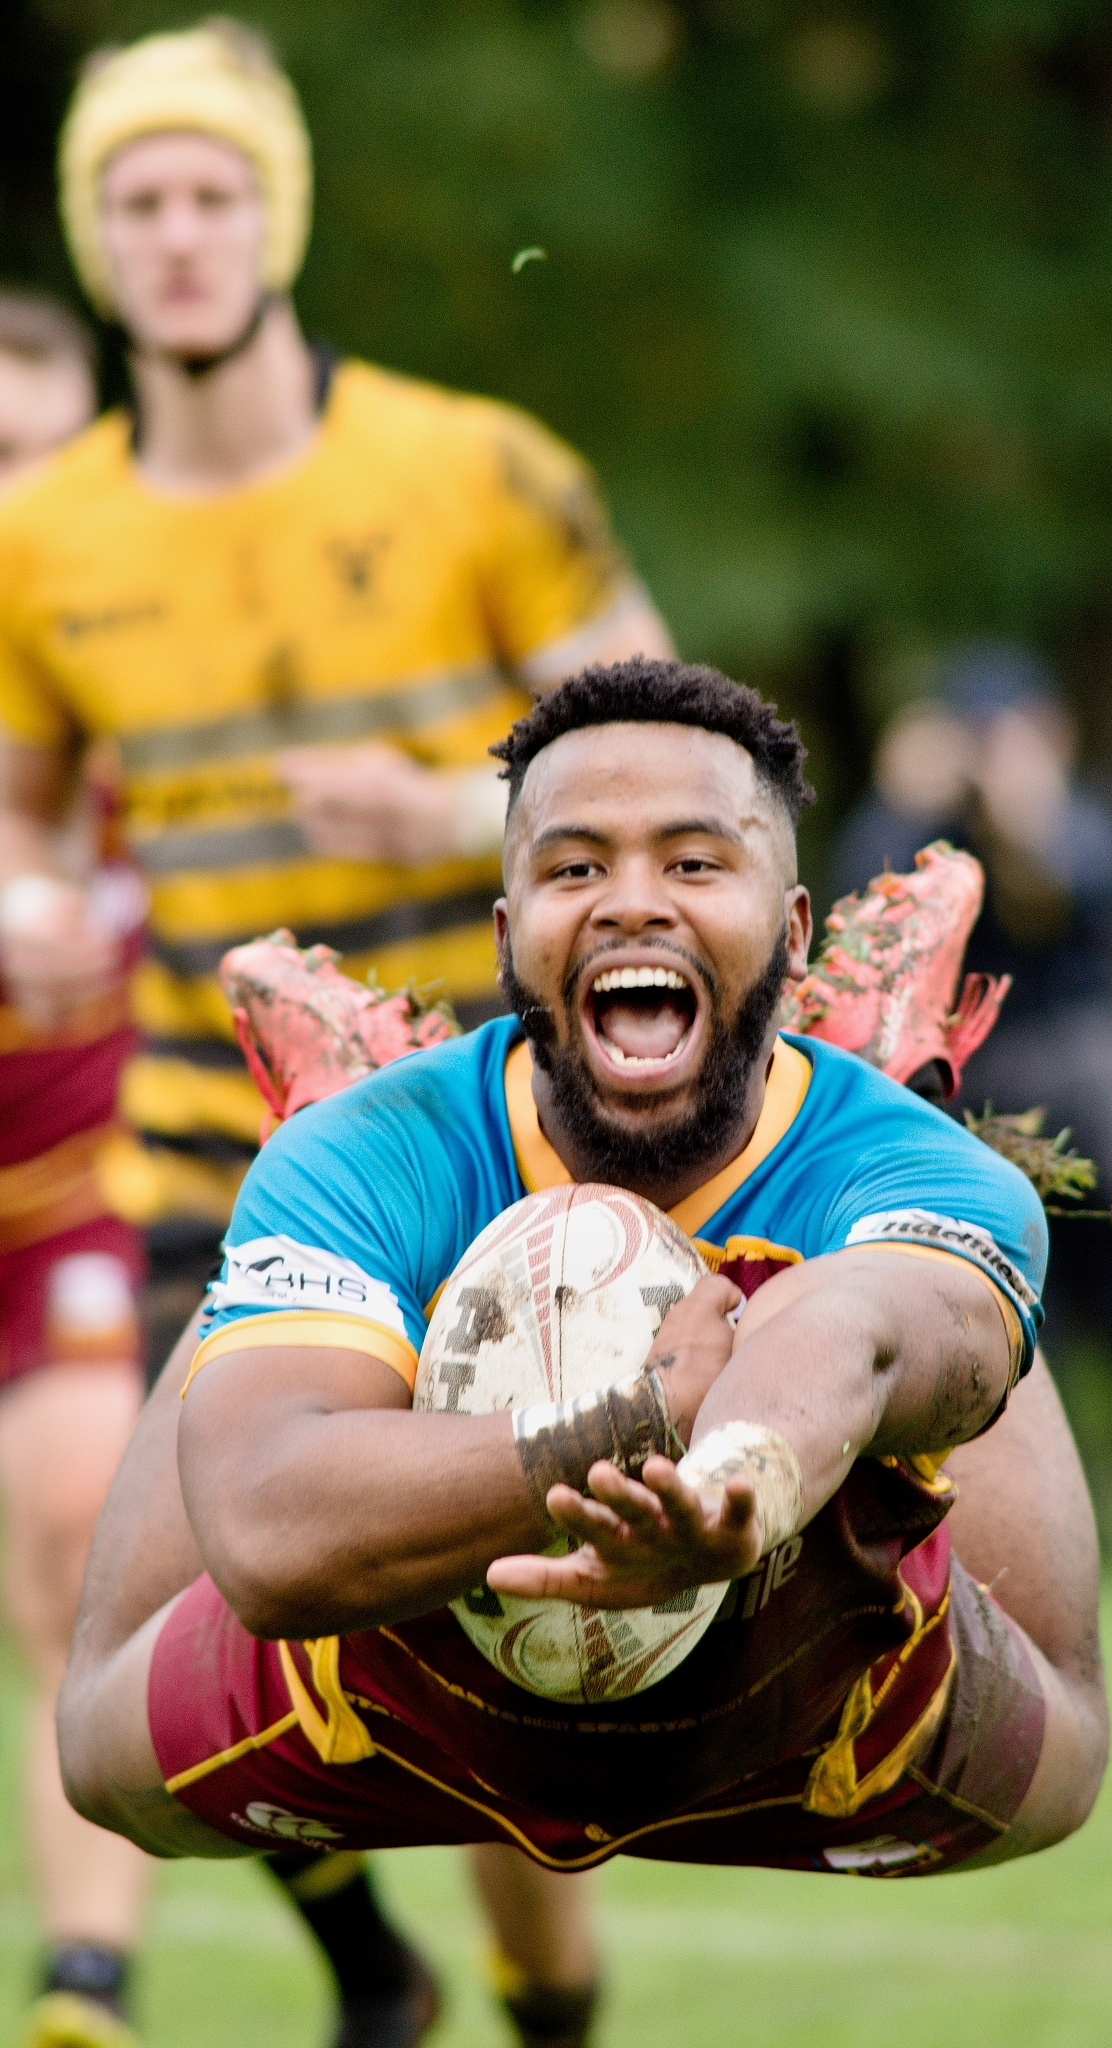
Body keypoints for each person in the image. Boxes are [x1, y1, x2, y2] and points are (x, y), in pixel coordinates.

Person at [0, 21, 672, 2043]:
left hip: (488, 1123)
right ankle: (298, 1964)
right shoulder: (42, 536)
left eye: (212, 193)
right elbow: (28, 817)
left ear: (273, 217)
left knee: (505, 1640)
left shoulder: (475, 466)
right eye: (138, 202)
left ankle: (535, 1995)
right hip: (215, 1136)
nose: (178, 234)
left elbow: (675, 767)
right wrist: (28, 898)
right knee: (143, 1557)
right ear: (98, 243)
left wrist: (465, 806)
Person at [58, 662, 1109, 1932]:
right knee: (99, 1744)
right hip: (401, 1699)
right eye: (574, 868)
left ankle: (888, 1067)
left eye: (692, 863)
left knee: (1058, 1743)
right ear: (506, 938)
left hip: (805, 1700)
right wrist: (630, 1423)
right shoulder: (381, 1153)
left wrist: (731, 1482)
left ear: (790, 933)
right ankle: (334, 1162)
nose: (631, 901)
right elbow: (267, 1533)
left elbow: (862, 1332)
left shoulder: (901, 1167)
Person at [829, 643, 1112, 1550]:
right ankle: (1048, 1523)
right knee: (1026, 1329)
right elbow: (862, 923)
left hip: (1099, 1099)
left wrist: (1021, 814)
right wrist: (902, 798)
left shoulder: (1092, 819)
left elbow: (1065, 897)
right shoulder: (926, 830)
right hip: (987, 1093)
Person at [0, 289, 156, 2048]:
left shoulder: (131, 684)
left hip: (83, 1202)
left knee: (72, 1544)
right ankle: (358, 1940)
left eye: (53, 454)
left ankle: (83, 1983)